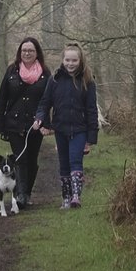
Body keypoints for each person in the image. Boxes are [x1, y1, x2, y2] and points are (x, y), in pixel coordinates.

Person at [32, 43, 99, 209]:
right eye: (67, 60)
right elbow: (45, 103)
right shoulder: (54, 79)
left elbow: (92, 110)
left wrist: (91, 138)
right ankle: (66, 198)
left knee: (75, 160)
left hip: (80, 129)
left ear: (80, 60)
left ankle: (76, 196)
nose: (70, 63)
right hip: (60, 128)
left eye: (74, 60)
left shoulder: (87, 81)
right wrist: (42, 121)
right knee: (64, 163)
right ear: (63, 60)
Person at [0, 37, 51, 209]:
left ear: (37, 53)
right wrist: (0, 123)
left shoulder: (45, 73)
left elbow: (49, 100)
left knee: (32, 160)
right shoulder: (12, 70)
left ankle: (27, 192)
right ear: (20, 52)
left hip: (35, 124)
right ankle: (20, 194)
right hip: (14, 124)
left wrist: (47, 124)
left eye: (31, 50)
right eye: (24, 50)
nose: (27, 53)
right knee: (21, 158)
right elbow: (2, 97)